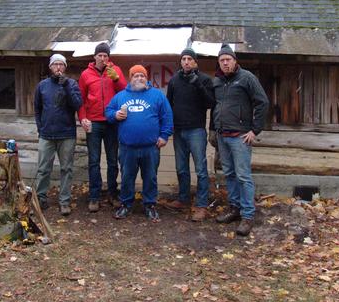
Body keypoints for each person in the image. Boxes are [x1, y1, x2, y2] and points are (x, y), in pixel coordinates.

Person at [210, 44, 269, 236]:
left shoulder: (247, 78)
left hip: (240, 137)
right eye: (222, 60)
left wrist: (255, 130)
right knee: (230, 174)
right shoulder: (218, 82)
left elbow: (262, 102)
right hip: (223, 136)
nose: (225, 63)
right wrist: (213, 130)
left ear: (235, 61)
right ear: (219, 62)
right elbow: (216, 107)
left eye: (228, 59)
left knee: (243, 176)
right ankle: (234, 209)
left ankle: (248, 215)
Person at [105, 65, 173, 222]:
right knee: (127, 177)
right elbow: (108, 112)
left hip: (151, 147)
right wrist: (115, 114)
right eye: (135, 75)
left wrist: (164, 136)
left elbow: (167, 117)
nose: (139, 78)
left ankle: (150, 205)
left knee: (150, 177)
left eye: (142, 76)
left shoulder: (157, 95)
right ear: (130, 78)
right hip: (127, 147)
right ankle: (126, 204)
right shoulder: (120, 96)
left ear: (146, 78)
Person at [165, 47, 215, 222]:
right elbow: (168, 105)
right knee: (181, 168)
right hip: (178, 131)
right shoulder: (174, 80)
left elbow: (210, 103)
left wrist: (197, 84)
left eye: (189, 59)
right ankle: (183, 199)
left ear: (195, 62)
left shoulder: (204, 80)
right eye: (183, 59)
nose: (186, 62)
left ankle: (201, 205)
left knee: (201, 170)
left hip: (196, 131)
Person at [78, 42, 127, 212]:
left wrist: (116, 78)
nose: (102, 58)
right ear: (95, 57)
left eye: (105, 56)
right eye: (100, 55)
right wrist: (83, 118)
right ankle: (94, 197)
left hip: (112, 121)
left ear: (108, 57)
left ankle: (112, 194)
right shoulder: (85, 74)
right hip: (94, 122)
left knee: (113, 161)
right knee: (94, 161)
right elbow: (81, 100)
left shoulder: (116, 70)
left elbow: (124, 91)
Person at [34, 54, 83, 216]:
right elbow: (37, 109)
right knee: (43, 169)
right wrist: (41, 128)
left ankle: (64, 201)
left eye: (61, 65)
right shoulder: (42, 86)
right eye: (55, 64)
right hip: (46, 134)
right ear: (50, 67)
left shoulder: (72, 84)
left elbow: (77, 104)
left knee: (66, 169)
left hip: (67, 134)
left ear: (65, 67)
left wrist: (67, 86)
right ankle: (40, 198)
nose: (58, 67)